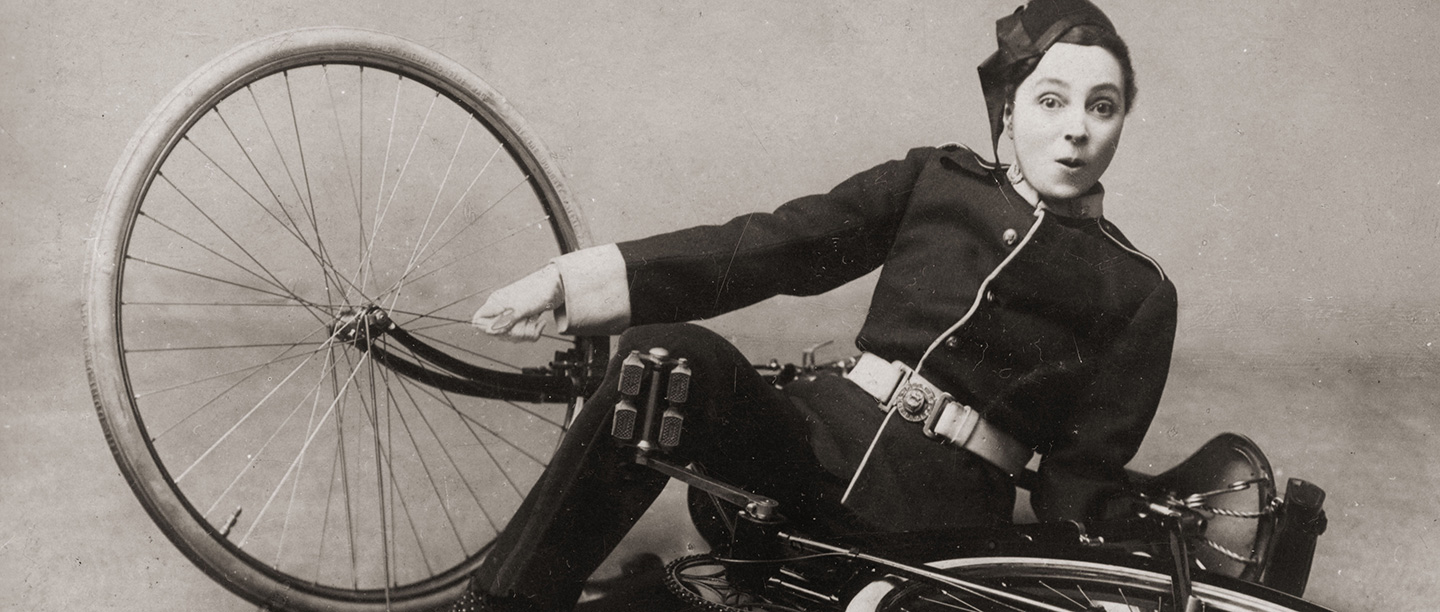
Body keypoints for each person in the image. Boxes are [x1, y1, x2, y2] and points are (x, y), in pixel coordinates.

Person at [452, 1, 1177, 610]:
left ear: (1122, 123)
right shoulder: (935, 180)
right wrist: (568, 283)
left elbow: (1078, 487)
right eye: (1052, 100)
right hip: (808, 446)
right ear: (1009, 109)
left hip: (939, 529)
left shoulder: (1137, 290)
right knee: (666, 357)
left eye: (1101, 107)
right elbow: (772, 247)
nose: (1077, 128)